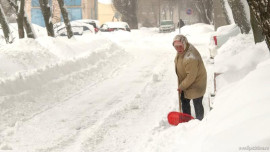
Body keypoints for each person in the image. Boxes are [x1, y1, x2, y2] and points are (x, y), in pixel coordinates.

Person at [173, 35, 207, 120]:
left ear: (184, 44)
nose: (178, 49)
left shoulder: (190, 57)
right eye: (176, 47)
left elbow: (191, 77)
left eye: (180, 46)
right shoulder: (184, 49)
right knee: (184, 100)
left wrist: (181, 86)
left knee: (197, 102)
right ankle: (187, 120)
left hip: (196, 83)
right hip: (187, 82)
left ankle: (200, 121)